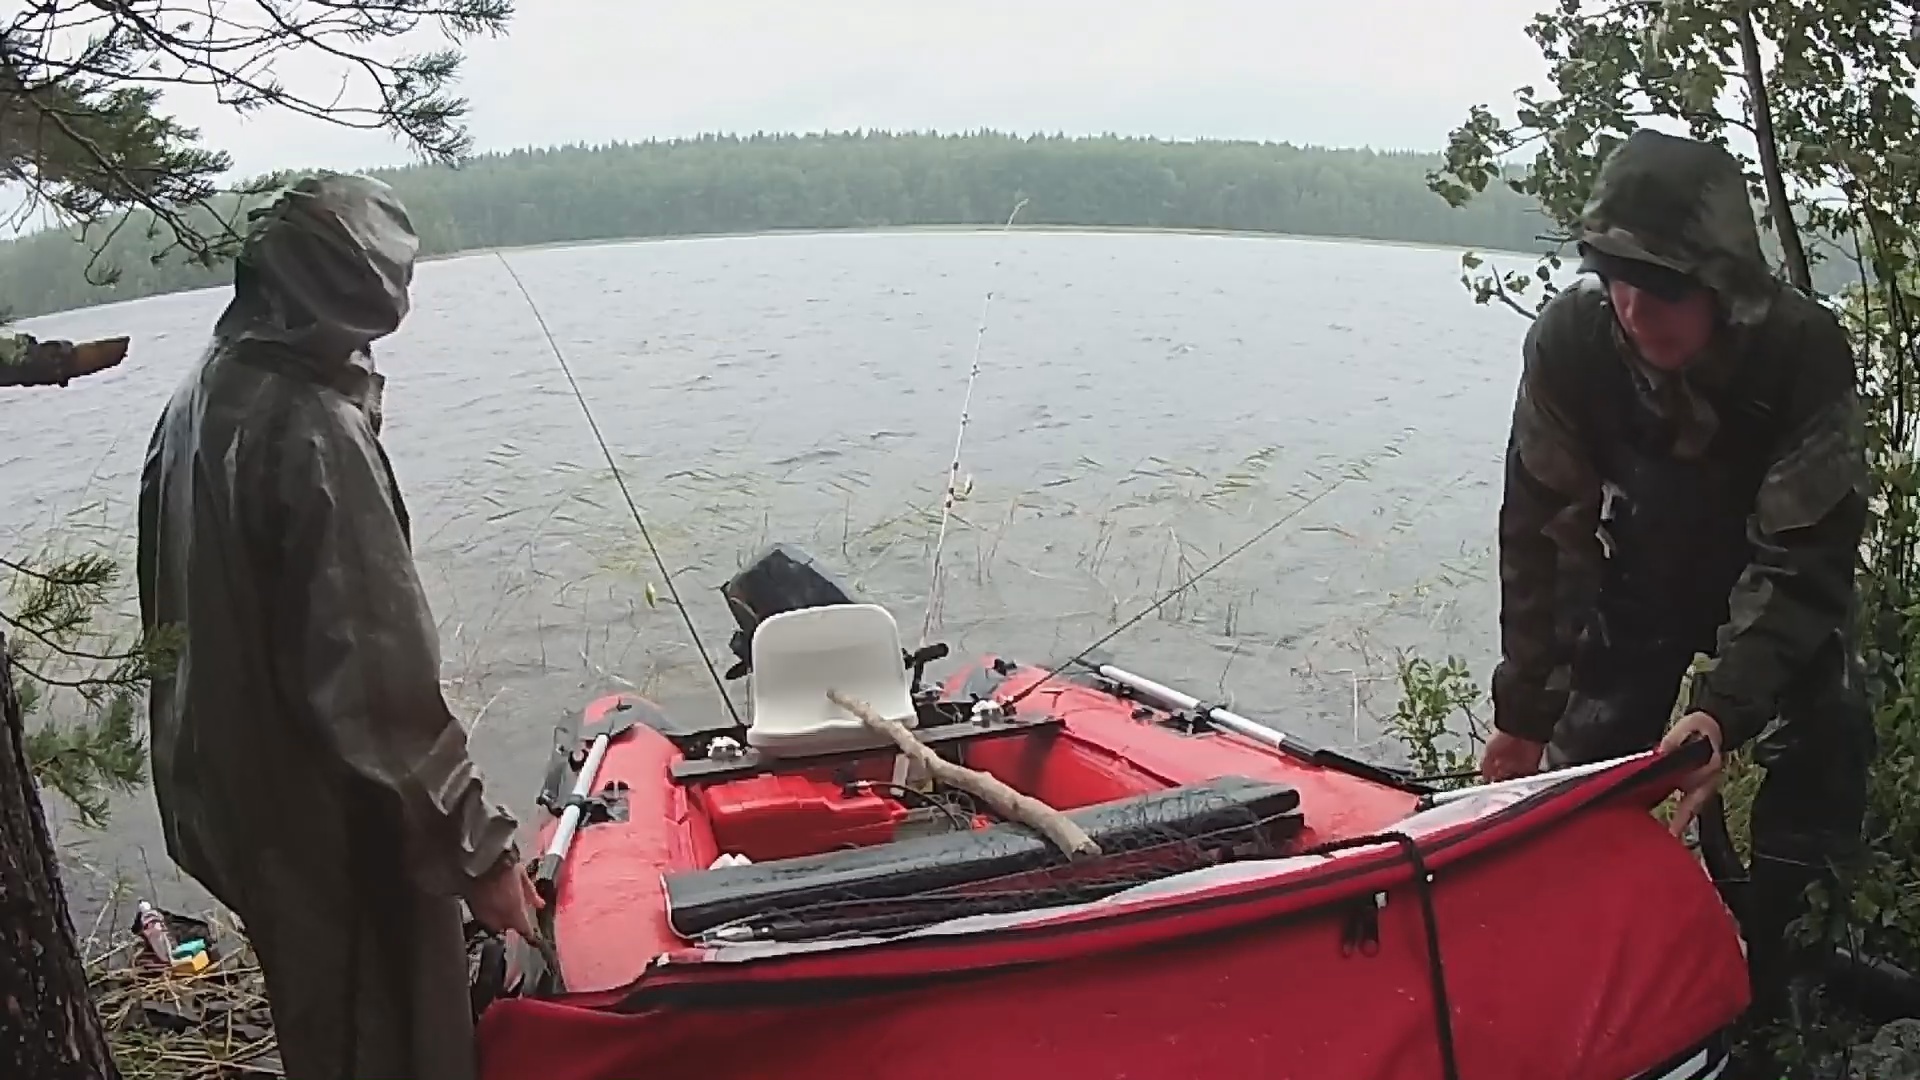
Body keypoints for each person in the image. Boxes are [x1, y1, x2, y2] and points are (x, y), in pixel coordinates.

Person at [136, 173, 541, 1080]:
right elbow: (376, 688)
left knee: (326, 1031)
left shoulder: (196, 399)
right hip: (334, 829)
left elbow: (170, 632)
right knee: (397, 1047)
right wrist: (480, 853)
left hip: (241, 816)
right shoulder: (313, 430)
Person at [1477, 129, 1875, 1016]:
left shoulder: (1802, 353)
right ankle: (1567, 974)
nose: (1632, 305)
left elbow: (1802, 560)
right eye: (1613, 275)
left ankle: (1785, 977)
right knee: (1566, 792)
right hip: (1644, 578)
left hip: (1771, 595)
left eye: (1659, 284)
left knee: (1827, 738)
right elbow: (1545, 529)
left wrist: (1723, 712)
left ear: (1723, 285)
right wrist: (1524, 710)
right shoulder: (1572, 342)